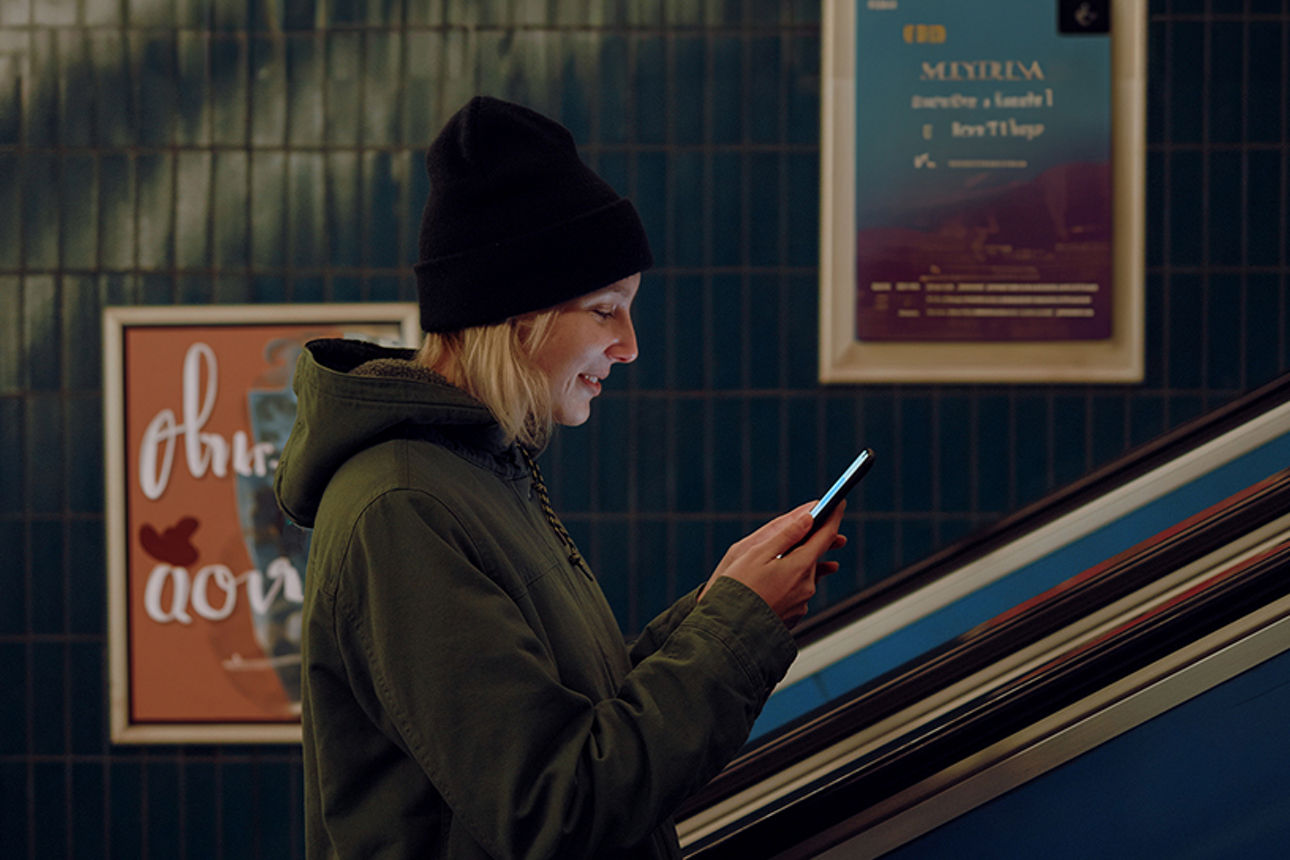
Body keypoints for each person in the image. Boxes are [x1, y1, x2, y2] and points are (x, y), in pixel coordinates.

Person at [274, 96, 846, 860]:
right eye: (607, 310)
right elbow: (554, 807)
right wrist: (732, 635)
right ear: (519, 315)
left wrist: (722, 609)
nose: (630, 346)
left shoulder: (477, 472)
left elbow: (578, 727)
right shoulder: (404, 506)